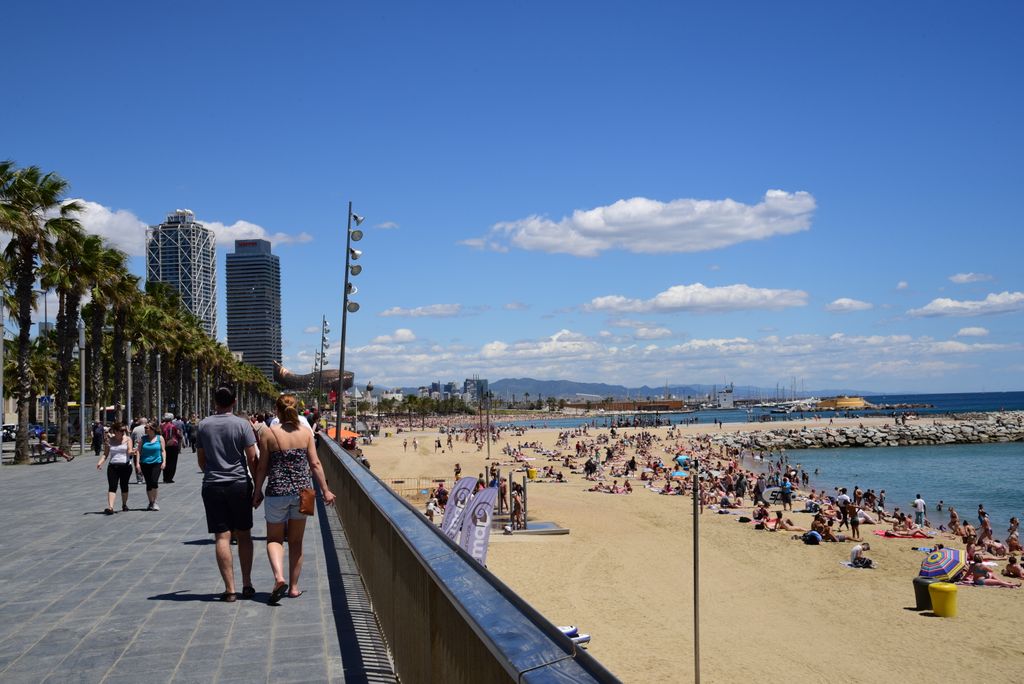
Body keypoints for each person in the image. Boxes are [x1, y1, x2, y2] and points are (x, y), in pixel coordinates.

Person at [253, 393, 336, 604]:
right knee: (297, 542)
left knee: (274, 539)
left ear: (277, 411)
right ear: (296, 409)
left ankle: (279, 577)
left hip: (276, 492)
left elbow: (262, 466)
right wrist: (326, 490)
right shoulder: (306, 434)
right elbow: (315, 464)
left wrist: (257, 491)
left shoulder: (269, 434)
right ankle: (294, 588)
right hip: (304, 493)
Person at [197, 386, 258, 602]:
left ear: (215, 401)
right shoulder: (242, 425)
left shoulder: (203, 425)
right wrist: (257, 486)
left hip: (213, 485)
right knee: (244, 534)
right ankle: (247, 583)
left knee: (222, 537)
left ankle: (230, 589)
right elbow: (252, 458)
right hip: (239, 484)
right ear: (235, 400)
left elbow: (201, 461)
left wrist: (214, 472)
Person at [96, 423, 136, 514]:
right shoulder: (110, 441)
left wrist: (133, 452)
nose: (123, 432)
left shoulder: (128, 439)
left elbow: (129, 451)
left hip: (125, 466)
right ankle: (110, 507)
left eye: (124, 430)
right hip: (113, 466)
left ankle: (124, 504)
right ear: (115, 431)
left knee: (124, 485)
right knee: (112, 486)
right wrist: (100, 462)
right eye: (121, 431)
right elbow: (105, 454)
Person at [137, 422, 166, 510]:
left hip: (157, 462)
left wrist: (164, 462)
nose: (145, 429)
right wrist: (137, 463)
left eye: (147, 428)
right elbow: (138, 451)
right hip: (145, 463)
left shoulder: (159, 438)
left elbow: (163, 450)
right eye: (145, 427)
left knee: (154, 481)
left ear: (153, 429)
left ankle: (155, 502)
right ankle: (151, 502)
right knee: (148, 483)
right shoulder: (143, 439)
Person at [161, 413, 183, 483]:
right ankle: (169, 477)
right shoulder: (173, 426)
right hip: (173, 444)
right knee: (172, 462)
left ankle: (165, 477)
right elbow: (178, 435)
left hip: (164, 444)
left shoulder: (161, 426)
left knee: (165, 460)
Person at [131, 418, 148, 485]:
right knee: (146, 463)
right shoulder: (148, 428)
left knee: (137, 464)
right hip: (146, 448)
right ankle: (147, 477)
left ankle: (139, 479)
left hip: (136, 448)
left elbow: (131, 438)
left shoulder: (135, 429)